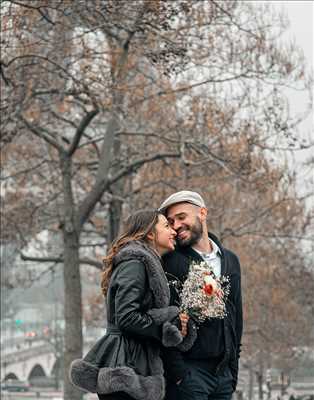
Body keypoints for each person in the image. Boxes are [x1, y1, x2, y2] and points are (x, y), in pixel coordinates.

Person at [69, 209, 188, 400]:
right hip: (125, 368)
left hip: (133, 363)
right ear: (150, 233)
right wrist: (164, 328)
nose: (173, 231)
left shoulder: (143, 262)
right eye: (166, 226)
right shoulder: (135, 263)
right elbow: (127, 317)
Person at [159, 190, 243, 400]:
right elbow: (164, 319)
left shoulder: (230, 260)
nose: (176, 225)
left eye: (181, 217)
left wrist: (233, 371)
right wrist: (178, 374)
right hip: (189, 374)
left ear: (202, 213)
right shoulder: (170, 261)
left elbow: (236, 316)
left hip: (223, 377)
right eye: (171, 221)